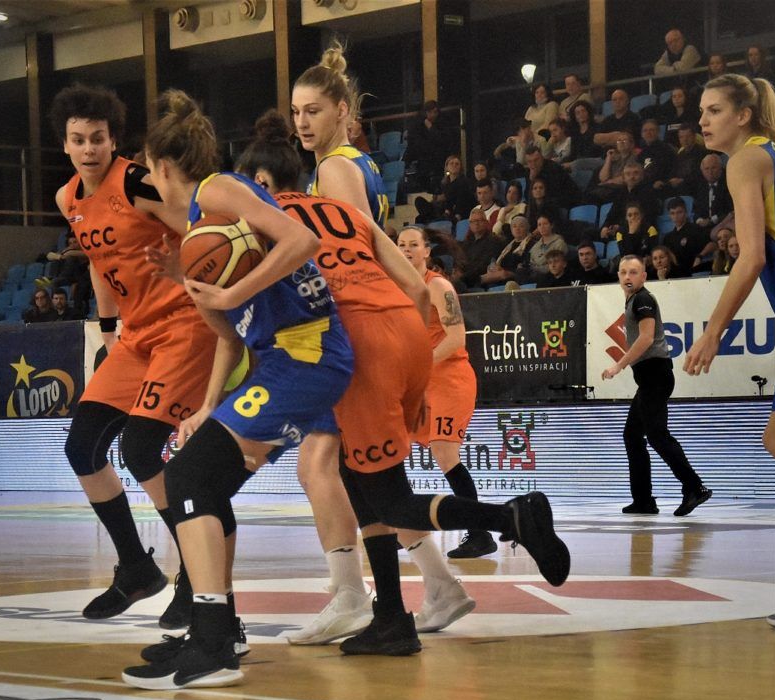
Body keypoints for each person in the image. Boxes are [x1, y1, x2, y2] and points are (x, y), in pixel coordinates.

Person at [185, 110, 571, 662]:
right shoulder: (344, 211)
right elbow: (416, 289)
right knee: (357, 477)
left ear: (260, 184)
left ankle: (510, 518)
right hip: (407, 330)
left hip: (358, 343)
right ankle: (392, 616)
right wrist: (409, 372)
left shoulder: (262, 223)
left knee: (388, 496)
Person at [120, 91, 356, 690]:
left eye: (147, 168)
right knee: (203, 477)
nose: (148, 178)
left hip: (307, 355)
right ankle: (219, 630)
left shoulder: (219, 191)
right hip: (278, 361)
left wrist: (228, 291)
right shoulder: (200, 231)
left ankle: (213, 640)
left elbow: (302, 241)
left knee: (190, 478)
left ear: (163, 167)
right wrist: (206, 404)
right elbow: (230, 335)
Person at [290, 42, 471, 643]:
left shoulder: (334, 169)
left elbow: (347, 259)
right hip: (378, 324)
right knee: (363, 475)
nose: (302, 123)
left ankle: (356, 594)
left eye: (314, 110)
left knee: (333, 469)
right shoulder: (357, 163)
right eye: (296, 112)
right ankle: (433, 585)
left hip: (359, 327)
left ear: (343, 110)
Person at [49, 83, 218, 630]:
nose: (89, 148)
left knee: (141, 447)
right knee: (81, 448)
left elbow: (203, 228)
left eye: (98, 138)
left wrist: (189, 267)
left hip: (186, 324)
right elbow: (101, 265)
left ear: (113, 140)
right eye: (79, 139)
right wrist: (107, 332)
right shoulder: (68, 199)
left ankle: (196, 576)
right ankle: (137, 569)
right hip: (136, 334)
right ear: (65, 145)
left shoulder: (136, 181)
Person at [682, 75, 775, 625]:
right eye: (701, 110)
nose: (702, 120)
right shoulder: (768, 153)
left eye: (714, 110)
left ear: (743, 115)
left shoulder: (746, 161)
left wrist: (713, 330)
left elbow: (752, 257)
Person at [399, 225, 497, 560]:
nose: (406, 249)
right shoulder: (397, 287)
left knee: (444, 452)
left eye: (413, 244)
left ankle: (480, 534)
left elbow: (456, 338)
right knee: (393, 448)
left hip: (449, 376)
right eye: (401, 244)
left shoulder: (438, 286)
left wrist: (419, 366)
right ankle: (403, 526)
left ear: (427, 251)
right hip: (420, 381)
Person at [602, 255, 711, 516]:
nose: (628, 277)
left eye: (633, 272)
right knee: (632, 435)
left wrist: (619, 365)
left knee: (657, 436)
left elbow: (646, 338)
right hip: (648, 378)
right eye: (623, 272)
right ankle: (643, 500)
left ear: (643, 276)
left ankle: (694, 487)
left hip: (656, 376)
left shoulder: (643, 299)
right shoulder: (632, 300)